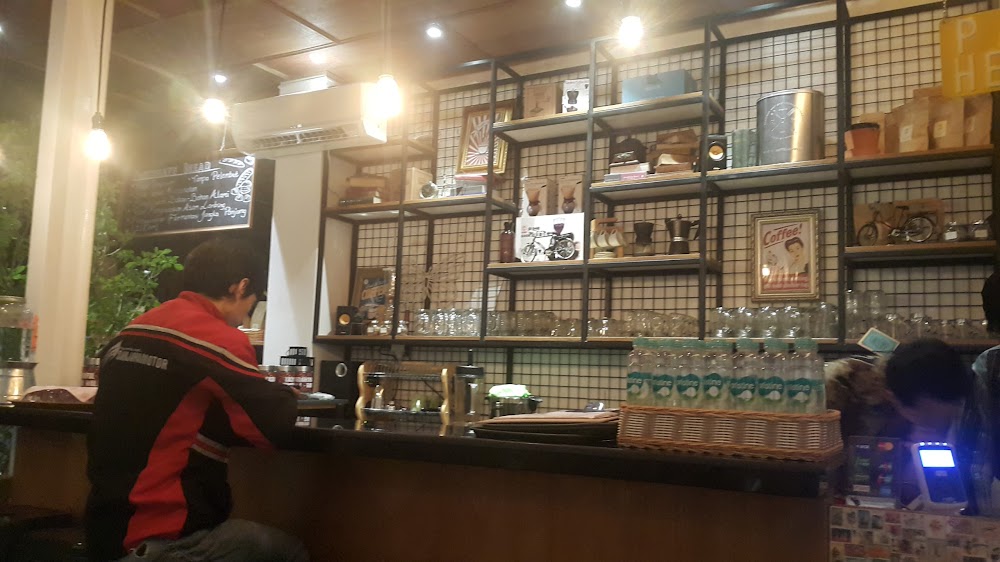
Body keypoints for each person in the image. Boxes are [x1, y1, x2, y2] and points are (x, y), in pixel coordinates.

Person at [85, 238, 307, 561]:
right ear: (240, 287)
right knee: (289, 553)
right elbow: (271, 426)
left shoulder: (130, 331)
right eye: (252, 302)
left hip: (103, 532)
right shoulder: (219, 340)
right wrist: (286, 394)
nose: (245, 317)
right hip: (163, 540)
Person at [827, 339, 994, 513]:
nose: (937, 426)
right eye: (927, 417)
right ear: (893, 399)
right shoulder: (841, 391)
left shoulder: (968, 407)